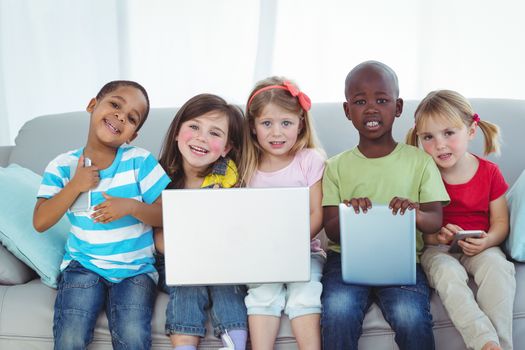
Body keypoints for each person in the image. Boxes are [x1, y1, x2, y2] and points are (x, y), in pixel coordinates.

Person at [321, 61, 450, 350]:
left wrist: (414, 213)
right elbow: (331, 232)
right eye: (359, 101)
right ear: (346, 110)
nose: (370, 108)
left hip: (402, 260)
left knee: (411, 315)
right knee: (339, 311)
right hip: (346, 260)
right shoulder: (335, 166)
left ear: (398, 106)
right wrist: (349, 214)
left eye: (381, 100)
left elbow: (435, 220)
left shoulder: (419, 161)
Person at [33, 80, 171, 349]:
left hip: (135, 270)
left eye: (131, 118)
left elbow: (168, 214)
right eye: (115, 104)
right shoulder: (62, 166)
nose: (121, 115)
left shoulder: (140, 161)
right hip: (83, 265)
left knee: (133, 336)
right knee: (70, 335)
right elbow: (40, 221)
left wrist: (132, 207)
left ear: (132, 135)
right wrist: (75, 185)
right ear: (92, 105)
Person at [406, 90, 516, 350]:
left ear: (471, 130)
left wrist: (488, 241)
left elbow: (501, 222)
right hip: (438, 249)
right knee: (447, 273)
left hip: (480, 246)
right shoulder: (422, 176)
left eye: (448, 133)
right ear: (419, 139)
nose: (440, 144)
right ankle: (484, 342)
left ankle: (501, 344)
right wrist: (437, 236)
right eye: (429, 137)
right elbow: (419, 230)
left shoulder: (489, 172)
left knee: (499, 269)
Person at [154, 93, 247, 350]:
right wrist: (190, 255)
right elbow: (158, 239)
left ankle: (234, 343)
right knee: (188, 282)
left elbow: (238, 232)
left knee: (226, 282)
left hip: (221, 258)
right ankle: (184, 345)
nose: (201, 137)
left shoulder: (230, 180)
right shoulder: (159, 178)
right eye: (194, 127)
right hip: (175, 259)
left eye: (215, 133)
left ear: (227, 147)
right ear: (176, 133)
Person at [239, 77, 326, 350]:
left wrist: (291, 244)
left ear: (300, 123)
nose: (277, 133)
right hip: (261, 255)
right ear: (253, 127)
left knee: (305, 293)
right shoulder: (245, 167)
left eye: (286, 123)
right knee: (262, 295)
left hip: (304, 251)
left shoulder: (309, 160)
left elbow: (317, 213)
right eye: (267, 123)